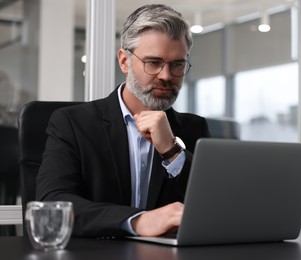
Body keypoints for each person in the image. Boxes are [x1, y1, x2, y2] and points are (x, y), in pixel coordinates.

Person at [36, 4, 210, 238]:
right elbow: (53, 202)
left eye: (177, 64)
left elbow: (213, 207)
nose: (166, 76)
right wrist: (138, 221)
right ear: (124, 62)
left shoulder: (193, 128)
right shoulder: (72, 123)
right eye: (153, 62)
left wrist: (171, 151)